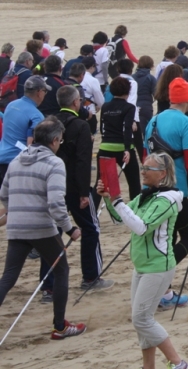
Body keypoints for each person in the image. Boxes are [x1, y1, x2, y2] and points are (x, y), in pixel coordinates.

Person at [98, 152, 188, 369]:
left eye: (147, 169)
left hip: (158, 267)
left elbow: (141, 227)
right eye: (142, 168)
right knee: (143, 320)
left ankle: (179, 364)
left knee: (141, 319)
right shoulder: (146, 196)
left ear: (163, 174)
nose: (142, 172)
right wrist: (108, 197)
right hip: (142, 266)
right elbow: (119, 217)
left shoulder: (167, 200)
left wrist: (117, 200)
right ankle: (148, 366)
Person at [0, 116, 87, 339]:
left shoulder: (17, 160)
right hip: (41, 227)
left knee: (8, 277)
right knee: (61, 270)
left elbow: (4, 194)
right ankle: (60, 326)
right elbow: (56, 203)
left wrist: (16, 212)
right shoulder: (54, 163)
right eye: (60, 140)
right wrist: (70, 229)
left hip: (17, 226)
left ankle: (60, 325)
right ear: (55, 140)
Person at [145, 77, 188, 311]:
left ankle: (162, 288)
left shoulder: (153, 121)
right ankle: (160, 285)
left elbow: (146, 157)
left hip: (151, 190)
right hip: (176, 190)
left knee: (163, 239)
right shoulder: (187, 124)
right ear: (187, 100)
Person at [55, 86, 113, 292]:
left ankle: (49, 286)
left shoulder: (49, 122)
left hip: (52, 186)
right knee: (91, 228)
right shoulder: (80, 126)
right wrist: (83, 193)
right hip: (73, 186)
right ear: (75, 102)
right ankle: (91, 277)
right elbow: (82, 161)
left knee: (52, 233)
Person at [99, 76, 141, 199]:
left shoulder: (105, 106)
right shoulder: (129, 107)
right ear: (128, 92)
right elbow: (126, 128)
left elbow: (102, 127)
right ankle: (134, 208)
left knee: (103, 184)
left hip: (105, 147)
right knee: (134, 183)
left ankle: (96, 208)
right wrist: (127, 148)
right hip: (122, 148)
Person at [134, 56, 157, 137]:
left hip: (133, 106)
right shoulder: (151, 78)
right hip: (146, 106)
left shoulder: (132, 77)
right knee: (146, 132)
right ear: (150, 65)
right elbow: (156, 94)